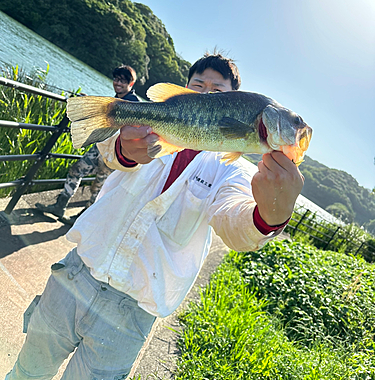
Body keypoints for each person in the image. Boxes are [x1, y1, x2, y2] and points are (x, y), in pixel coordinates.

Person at [6, 53, 304, 380]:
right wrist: (123, 148)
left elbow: (236, 224)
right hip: (75, 274)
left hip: (131, 314)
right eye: (197, 86)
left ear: (233, 99)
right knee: (27, 371)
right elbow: (110, 153)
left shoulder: (235, 170)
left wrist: (271, 214)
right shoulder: (150, 131)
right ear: (183, 89)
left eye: (217, 92)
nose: (205, 96)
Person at [35, 64, 140, 221]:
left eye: (122, 81)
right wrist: (87, 102)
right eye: (116, 79)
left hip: (114, 153)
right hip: (99, 147)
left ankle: (82, 220)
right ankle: (60, 206)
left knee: (98, 187)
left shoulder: (133, 103)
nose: (117, 83)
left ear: (130, 84)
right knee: (76, 169)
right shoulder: (117, 98)